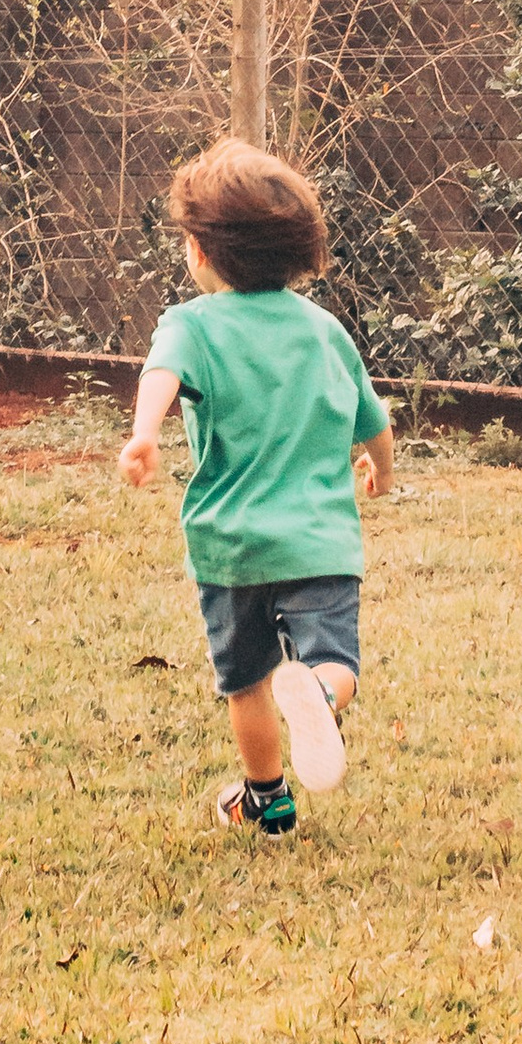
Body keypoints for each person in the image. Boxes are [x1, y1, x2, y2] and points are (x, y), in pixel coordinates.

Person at [116, 136, 391, 835]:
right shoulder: (328, 332)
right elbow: (373, 419)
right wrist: (380, 471)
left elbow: (161, 372)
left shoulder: (194, 325)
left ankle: (268, 799)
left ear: (200, 252)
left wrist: (145, 432)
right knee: (336, 659)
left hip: (232, 544)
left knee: (246, 683)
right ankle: (323, 696)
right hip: (321, 542)